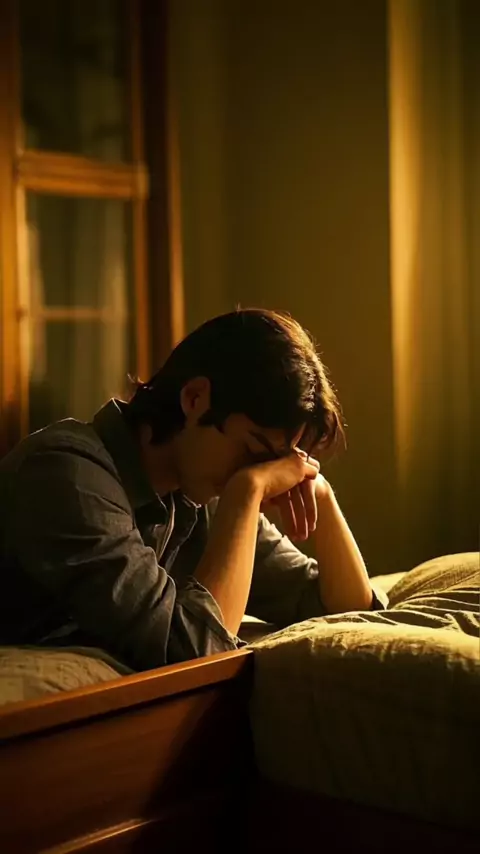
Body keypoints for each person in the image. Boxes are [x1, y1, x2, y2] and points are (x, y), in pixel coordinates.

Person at [0, 309, 385, 671]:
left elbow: (345, 607)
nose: (260, 472)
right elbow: (196, 651)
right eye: (253, 449)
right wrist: (247, 491)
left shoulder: (202, 493)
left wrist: (317, 488)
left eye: (273, 462)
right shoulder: (66, 472)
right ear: (195, 399)